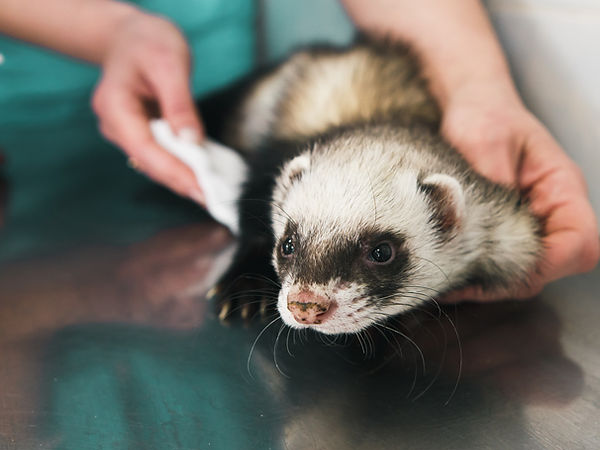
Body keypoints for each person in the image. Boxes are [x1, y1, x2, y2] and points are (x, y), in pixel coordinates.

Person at [1, 0, 598, 301]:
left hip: (233, 80)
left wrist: (480, 88)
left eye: (383, 253)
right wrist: (111, 31)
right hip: (38, 144)